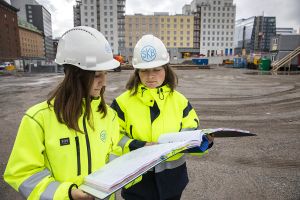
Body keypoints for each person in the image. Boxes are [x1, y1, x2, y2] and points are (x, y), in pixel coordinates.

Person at [4, 26, 121, 200]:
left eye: (105, 74)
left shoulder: (109, 116)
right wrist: (68, 193)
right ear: (75, 75)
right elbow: (22, 173)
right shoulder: (39, 119)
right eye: (97, 75)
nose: (103, 82)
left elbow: (114, 153)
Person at [111, 34, 213, 200]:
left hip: (172, 183)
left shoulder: (180, 101)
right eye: (144, 70)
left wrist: (204, 141)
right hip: (136, 183)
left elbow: (190, 134)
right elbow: (113, 138)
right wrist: (138, 146)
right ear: (137, 72)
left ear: (166, 69)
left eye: (157, 70)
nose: (151, 76)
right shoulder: (121, 103)